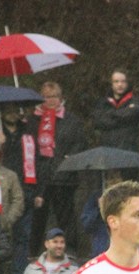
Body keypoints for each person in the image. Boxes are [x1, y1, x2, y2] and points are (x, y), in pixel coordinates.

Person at [26, 81, 87, 255]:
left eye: (54, 96)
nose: (50, 100)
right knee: (37, 219)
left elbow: (80, 143)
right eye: (46, 97)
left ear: (61, 98)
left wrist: (68, 159)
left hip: (64, 177)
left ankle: (71, 253)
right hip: (39, 178)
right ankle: (33, 254)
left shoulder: (71, 120)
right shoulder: (32, 121)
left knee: (66, 218)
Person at [0, 105, 38, 274]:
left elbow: (38, 160)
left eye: (15, 110)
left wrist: (38, 191)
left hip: (26, 188)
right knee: (0, 234)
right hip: (0, 189)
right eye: (8, 110)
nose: (12, 113)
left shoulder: (29, 132)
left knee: (22, 235)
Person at [92, 69, 139, 151]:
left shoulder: (135, 101)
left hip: (128, 150)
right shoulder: (103, 102)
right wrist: (122, 118)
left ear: (127, 83)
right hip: (107, 150)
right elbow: (98, 121)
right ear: (111, 84)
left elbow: (131, 114)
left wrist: (110, 114)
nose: (120, 84)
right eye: (116, 81)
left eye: (123, 81)